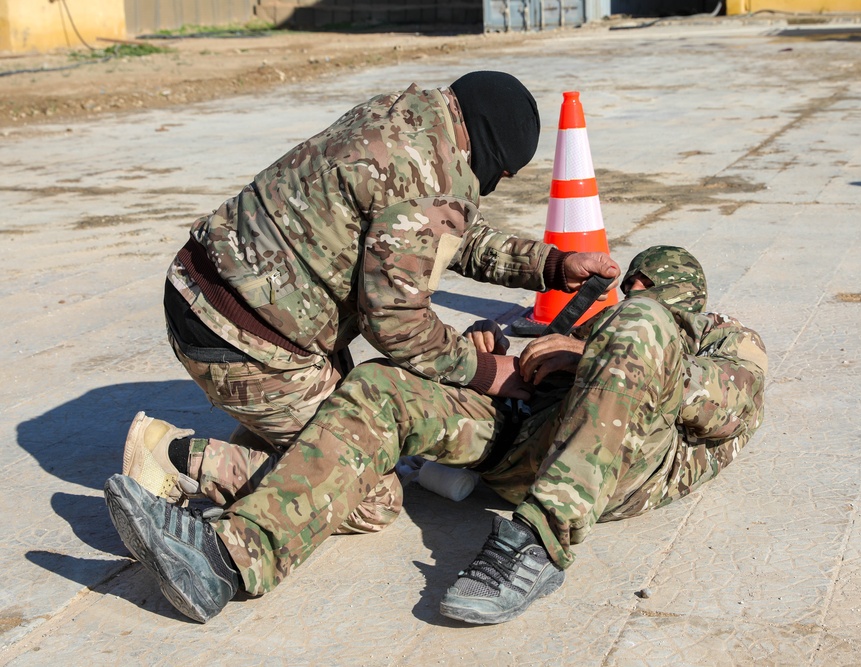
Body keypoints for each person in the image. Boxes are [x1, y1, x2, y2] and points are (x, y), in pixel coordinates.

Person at [105, 245, 766, 625]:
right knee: (382, 388)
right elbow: (560, 374)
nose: (627, 295)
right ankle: (227, 557)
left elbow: (725, 410)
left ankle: (539, 543)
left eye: (643, 288)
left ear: (682, 293)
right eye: (630, 289)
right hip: (529, 439)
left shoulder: (720, 337)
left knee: (639, 332)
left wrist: (592, 355)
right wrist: (494, 365)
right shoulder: (613, 326)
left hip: (629, 461)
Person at [123, 70, 618, 533]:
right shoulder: (435, 179)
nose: (495, 184)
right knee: (371, 496)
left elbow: (439, 233)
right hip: (243, 340)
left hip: (202, 289)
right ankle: (176, 458)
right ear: (491, 148)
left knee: (344, 430)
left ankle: (255, 447)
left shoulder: (405, 117)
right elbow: (399, 326)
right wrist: (491, 373)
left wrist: (551, 265)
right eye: (503, 173)